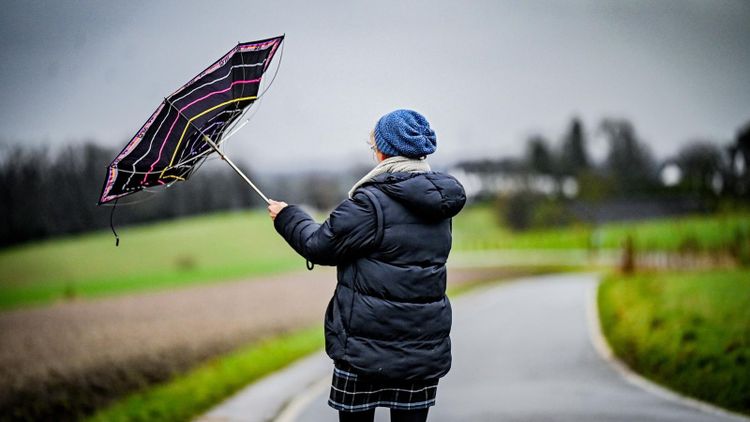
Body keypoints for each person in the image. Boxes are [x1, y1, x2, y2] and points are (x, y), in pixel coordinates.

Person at [267, 109, 466, 422]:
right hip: (421, 347)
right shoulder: (440, 203)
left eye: (372, 144)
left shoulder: (370, 203)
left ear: (384, 150)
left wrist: (288, 217)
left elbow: (319, 245)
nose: (373, 150)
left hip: (364, 351)